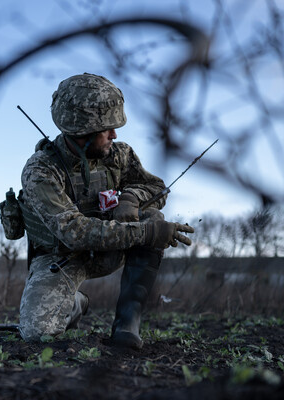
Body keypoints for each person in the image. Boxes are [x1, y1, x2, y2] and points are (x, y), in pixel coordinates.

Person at [16, 73, 194, 349]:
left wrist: (131, 199)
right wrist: (146, 233)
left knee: (152, 215)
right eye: (107, 128)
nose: (115, 134)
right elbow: (75, 233)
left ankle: (127, 322)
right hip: (61, 258)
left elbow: (156, 187)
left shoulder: (119, 155)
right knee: (37, 332)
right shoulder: (40, 171)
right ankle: (75, 304)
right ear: (82, 132)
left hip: (111, 250)